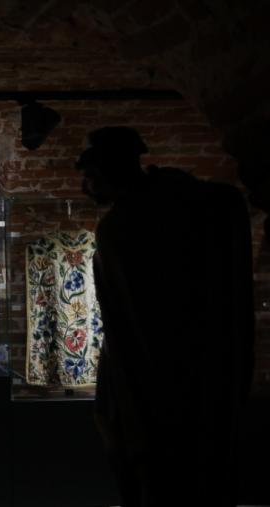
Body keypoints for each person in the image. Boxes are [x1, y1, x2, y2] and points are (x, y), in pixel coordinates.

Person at [75, 127, 254, 507]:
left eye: (89, 175)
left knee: (157, 477)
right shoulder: (213, 203)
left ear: (106, 170)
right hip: (212, 373)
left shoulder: (122, 227)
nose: (85, 187)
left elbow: (128, 324)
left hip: (152, 380)